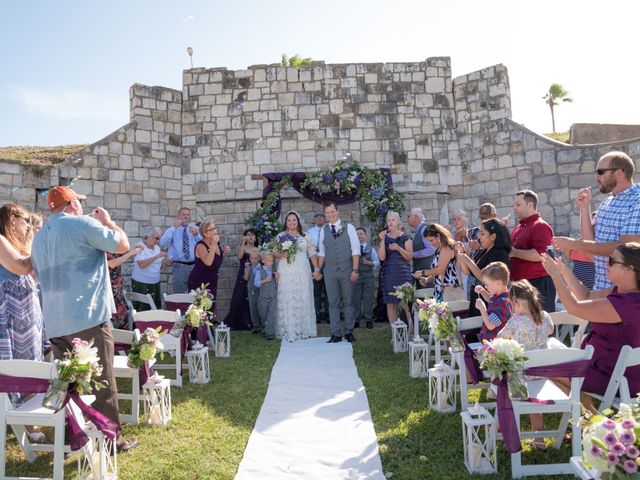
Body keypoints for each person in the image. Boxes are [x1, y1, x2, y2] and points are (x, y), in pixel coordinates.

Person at [31, 186, 137, 452]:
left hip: (55, 321)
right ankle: (113, 439)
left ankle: (72, 433)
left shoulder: (40, 235)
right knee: (102, 381)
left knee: (68, 382)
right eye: (78, 201)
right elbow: (122, 244)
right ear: (72, 204)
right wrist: (107, 221)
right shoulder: (82, 224)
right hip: (87, 317)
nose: (81, 204)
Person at [541, 242, 640, 413]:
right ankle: (593, 419)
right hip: (606, 366)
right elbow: (585, 296)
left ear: (629, 269)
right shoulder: (621, 292)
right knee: (550, 366)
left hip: (616, 376)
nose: (605, 263)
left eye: (611, 261)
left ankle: (592, 420)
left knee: (543, 368)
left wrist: (555, 276)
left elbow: (575, 308)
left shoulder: (627, 304)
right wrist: (564, 271)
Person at [552, 152, 640, 291]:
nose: (596, 176)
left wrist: (574, 244)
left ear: (618, 173)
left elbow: (626, 248)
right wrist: (584, 208)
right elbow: (592, 245)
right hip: (602, 288)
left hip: (626, 294)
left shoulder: (637, 200)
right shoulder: (608, 201)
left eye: (600, 172)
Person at [498, 279, 554, 449]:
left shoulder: (516, 320)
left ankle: (501, 429)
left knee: (500, 387)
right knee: (533, 403)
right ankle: (539, 440)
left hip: (521, 375)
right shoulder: (544, 316)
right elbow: (550, 330)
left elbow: (500, 336)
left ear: (516, 302)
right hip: (542, 373)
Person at [0, 204, 44, 363]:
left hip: (24, 319)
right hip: (8, 316)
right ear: (12, 219)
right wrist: (33, 240)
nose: (29, 226)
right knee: (10, 370)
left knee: (28, 369)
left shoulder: (15, 245)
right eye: (26, 221)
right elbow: (23, 267)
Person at [315, 202, 360, 343]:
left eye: (332, 212)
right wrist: (318, 269)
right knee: (332, 303)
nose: (330, 215)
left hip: (347, 270)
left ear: (337, 211)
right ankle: (335, 333)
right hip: (330, 271)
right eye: (327, 213)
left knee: (348, 301)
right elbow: (322, 253)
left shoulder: (349, 228)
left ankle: (348, 331)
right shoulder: (324, 230)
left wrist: (355, 269)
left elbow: (356, 250)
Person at [275, 211, 318, 342]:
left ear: (298, 222)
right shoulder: (281, 236)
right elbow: (274, 253)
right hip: (286, 269)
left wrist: (316, 268)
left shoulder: (305, 236)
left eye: (294, 220)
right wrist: (282, 254)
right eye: (289, 220)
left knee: (303, 296)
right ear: (286, 223)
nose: (292, 222)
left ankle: (305, 330)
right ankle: (288, 329)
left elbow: (312, 254)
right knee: (288, 296)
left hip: (302, 270)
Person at [510, 190, 556, 312]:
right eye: (514, 204)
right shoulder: (518, 227)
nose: (514, 208)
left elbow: (541, 254)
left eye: (518, 205)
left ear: (530, 205)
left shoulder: (540, 226)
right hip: (521, 285)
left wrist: (514, 252)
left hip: (538, 284)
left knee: (540, 326)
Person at [456, 218, 512, 318]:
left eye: (482, 234)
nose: (479, 237)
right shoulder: (484, 251)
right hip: (477, 294)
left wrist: (466, 259)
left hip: (489, 299)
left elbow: (486, 277)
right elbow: (467, 271)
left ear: (493, 236)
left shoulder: (499, 253)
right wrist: (461, 253)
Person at [187, 219, 230, 317]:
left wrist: (223, 254)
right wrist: (214, 244)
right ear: (205, 234)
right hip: (199, 281)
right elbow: (208, 262)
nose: (215, 231)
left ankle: (208, 331)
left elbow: (216, 263)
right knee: (200, 311)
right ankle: (199, 332)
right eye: (211, 229)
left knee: (210, 308)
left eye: (215, 228)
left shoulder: (215, 243)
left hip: (211, 280)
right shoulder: (201, 245)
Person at [377, 212, 413, 326]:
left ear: (398, 222)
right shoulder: (385, 237)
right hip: (389, 274)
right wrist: (382, 240)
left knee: (405, 305)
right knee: (391, 305)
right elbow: (381, 257)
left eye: (393, 220)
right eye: (388, 220)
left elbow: (410, 257)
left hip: (403, 274)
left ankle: (410, 333)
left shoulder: (406, 237)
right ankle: (396, 334)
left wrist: (398, 248)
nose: (390, 222)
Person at [414, 224, 464, 302]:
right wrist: (428, 279)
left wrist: (422, 272)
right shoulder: (439, 250)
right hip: (441, 292)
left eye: (431, 240)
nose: (431, 243)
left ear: (438, 236)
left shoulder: (446, 248)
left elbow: (440, 270)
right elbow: (441, 272)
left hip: (450, 292)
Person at [223, 228, 258, 330]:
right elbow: (240, 256)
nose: (250, 236)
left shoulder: (257, 249)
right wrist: (243, 242)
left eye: (253, 235)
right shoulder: (243, 247)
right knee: (239, 296)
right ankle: (235, 321)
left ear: (255, 238)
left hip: (253, 275)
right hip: (242, 275)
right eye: (248, 235)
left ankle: (250, 322)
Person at [159, 207, 201, 293]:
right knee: (179, 294)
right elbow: (163, 243)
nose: (186, 216)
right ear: (178, 217)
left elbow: (202, 245)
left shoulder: (195, 229)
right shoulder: (172, 230)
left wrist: (196, 235)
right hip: (179, 266)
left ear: (190, 217)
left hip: (194, 266)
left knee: (195, 293)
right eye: (183, 214)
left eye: (188, 215)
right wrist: (174, 227)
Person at [474, 262, 513, 343]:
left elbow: (490, 325)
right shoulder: (499, 296)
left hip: (495, 345)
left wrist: (482, 309)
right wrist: (482, 291)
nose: (486, 286)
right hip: (491, 343)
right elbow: (491, 300)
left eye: (487, 284)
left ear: (498, 283)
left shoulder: (503, 303)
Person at [131, 227, 168, 311]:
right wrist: (156, 257)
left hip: (155, 282)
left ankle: (154, 324)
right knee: (142, 308)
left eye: (159, 238)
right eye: (156, 238)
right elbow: (142, 264)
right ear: (148, 236)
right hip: (141, 282)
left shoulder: (157, 248)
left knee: (154, 307)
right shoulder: (140, 247)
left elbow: (159, 267)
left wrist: (165, 263)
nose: (158, 241)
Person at [107, 245, 142, 329]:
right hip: (108, 288)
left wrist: (136, 251)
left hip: (117, 288)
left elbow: (126, 257)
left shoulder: (114, 247)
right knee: (112, 318)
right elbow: (112, 264)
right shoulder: (101, 249)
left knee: (122, 317)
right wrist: (131, 253)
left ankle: (123, 338)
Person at [353, 227, 380, 329]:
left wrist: (370, 263)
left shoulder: (371, 249)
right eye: (357, 234)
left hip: (368, 276)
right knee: (356, 299)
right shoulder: (352, 249)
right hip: (357, 276)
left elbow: (377, 263)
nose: (359, 236)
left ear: (365, 235)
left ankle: (368, 320)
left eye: (361, 234)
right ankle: (356, 320)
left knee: (368, 298)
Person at [308, 212, 328, 322]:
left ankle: (328, 314)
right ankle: (316, 314)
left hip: (328, 262)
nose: (319, 218)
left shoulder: (329, 230)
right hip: (314, 262)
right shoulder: (309, 232)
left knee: (328, 289)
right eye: (317, 217)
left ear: (324, 218)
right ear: (314, 219)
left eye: (321, 216)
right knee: (316, 289)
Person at [255, 252, 277, 341]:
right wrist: (264, 280)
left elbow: (276, 284)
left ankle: (270, 334)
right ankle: (265, 328)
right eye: (268, 261)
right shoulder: (259, 271)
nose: (271, 263)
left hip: (273, 296)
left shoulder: (273, 270)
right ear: (263, 261)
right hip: (263, 297)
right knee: (263, 315)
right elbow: (256, 284)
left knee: (271, 315)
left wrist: (277, 278)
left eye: (272, 261)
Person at [407, 208, 435, 277]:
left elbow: (431, 249)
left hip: (426, 271)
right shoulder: (417, 231)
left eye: (409, 216)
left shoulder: (424, 229)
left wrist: (413, 255)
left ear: (416, 217)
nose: (407, 218)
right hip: (420, 270)